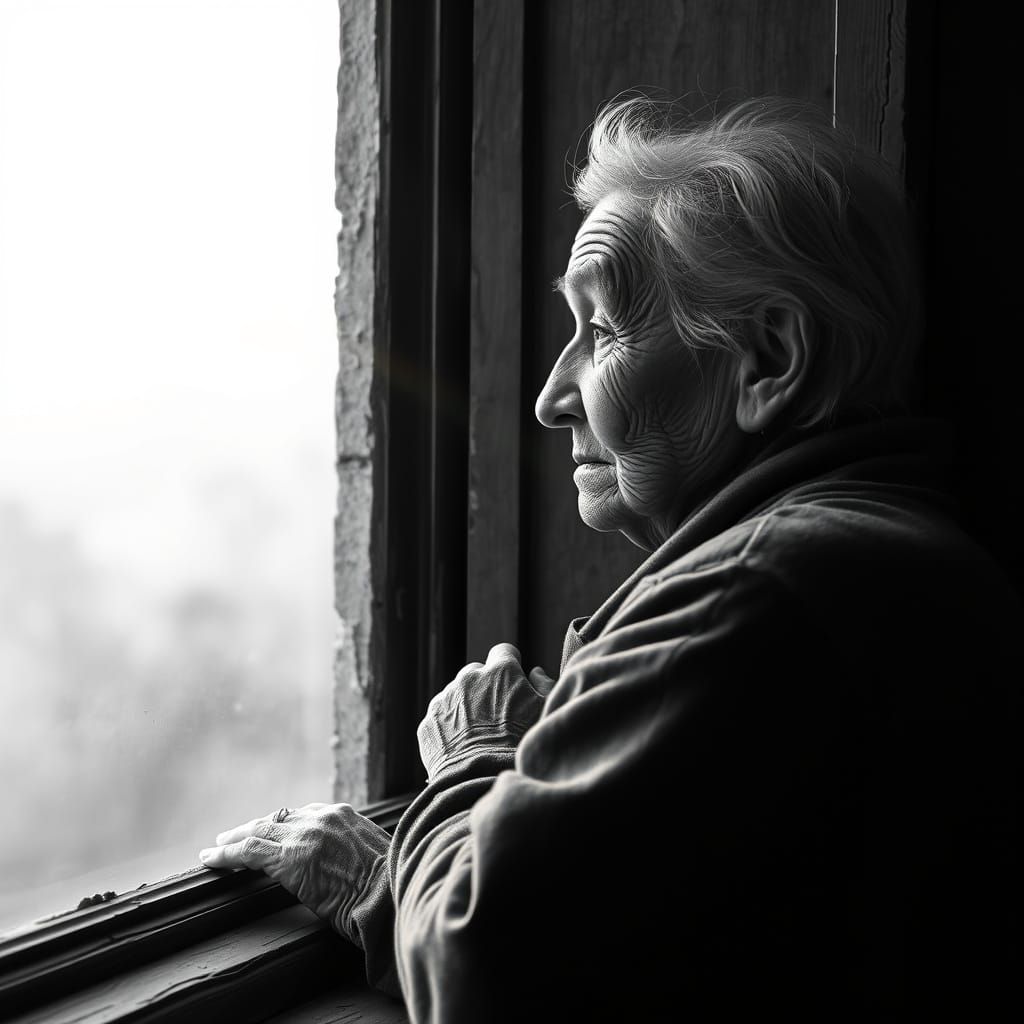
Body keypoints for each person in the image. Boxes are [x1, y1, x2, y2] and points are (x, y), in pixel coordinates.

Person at [199, 96, 1020, 1020]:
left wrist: (471, 764)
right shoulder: (889, 555)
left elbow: (485, 968)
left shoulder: (762, 591)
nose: (553, 396)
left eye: (603, 331)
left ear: (769, 359)